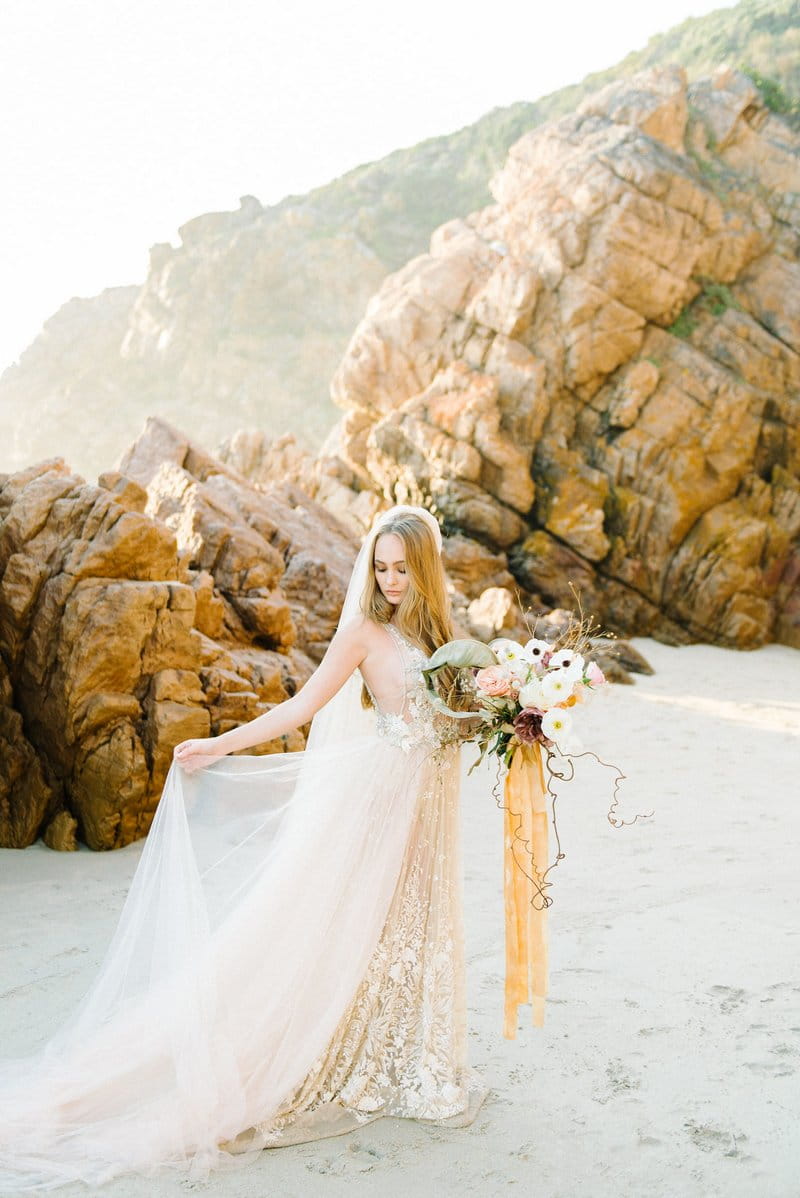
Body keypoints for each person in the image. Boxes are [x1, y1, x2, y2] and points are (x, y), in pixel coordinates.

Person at [0, 504, 487, 1191]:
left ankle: (397, 1059)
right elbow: (300, 707)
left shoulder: (438, 636)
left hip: (426, 807)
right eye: (380, 567)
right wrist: (221, 743)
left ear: (425, 569)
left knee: (411, 928)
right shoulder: (364, 633)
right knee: (349, 928)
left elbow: (455, 721)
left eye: (401, 568)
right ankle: (332, 1056)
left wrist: (510, 714)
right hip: (378, 804)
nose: (388, 579)